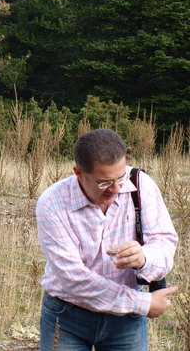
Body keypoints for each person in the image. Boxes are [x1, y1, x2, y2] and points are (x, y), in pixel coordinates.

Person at [36, 128, 178, 351]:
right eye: (103, 182)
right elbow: (73, 278)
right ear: (79, 173)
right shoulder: (52, 203)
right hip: (66, 317)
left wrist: (144, 258)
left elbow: (165, 243)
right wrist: (143, 303)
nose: (115, 189)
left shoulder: (142, 186)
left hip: (126, 323)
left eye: (120, 177)